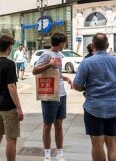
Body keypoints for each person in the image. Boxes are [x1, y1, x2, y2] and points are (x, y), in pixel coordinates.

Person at [73, 33, 116, 161]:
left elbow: (76, 85)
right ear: (107, 46)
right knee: (112, 141)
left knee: (97, 142)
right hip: (114, 107)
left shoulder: (87, 62)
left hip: (94, 107)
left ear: (92, 46)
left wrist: (86, 88)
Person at [32, 32, 73, 161]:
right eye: (64, 43)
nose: (64, 45)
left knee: (59, 125)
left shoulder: (60, 55)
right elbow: (34, 71)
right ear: (60, 43)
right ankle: (47, 154)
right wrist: (49, 64)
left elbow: (57, 73)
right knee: (47, 125)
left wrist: (65, 78)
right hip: (50, 94)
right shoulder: (46, 54)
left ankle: (60, 153)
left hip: (61, 94)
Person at [0, 34, 24, 161]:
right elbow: (11, 87)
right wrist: (18, 107)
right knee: (11, 139)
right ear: (9, 47)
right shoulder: (9, 64)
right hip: (8, 107)